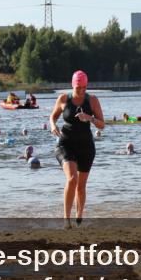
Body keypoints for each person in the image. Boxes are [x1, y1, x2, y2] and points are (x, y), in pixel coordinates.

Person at [50, 70, 105, 228]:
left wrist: (90, 118)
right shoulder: (63, 98)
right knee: (72, 179)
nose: (81, 90)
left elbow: (102, 124)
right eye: (78, 87)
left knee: (81, 186)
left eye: (84, 87)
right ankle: (66, 220)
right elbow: (53, 116)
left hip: (86, 146)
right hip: (65, 144)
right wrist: (53, 125)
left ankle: (79, 217)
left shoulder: (92, 100)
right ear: (73, 85)